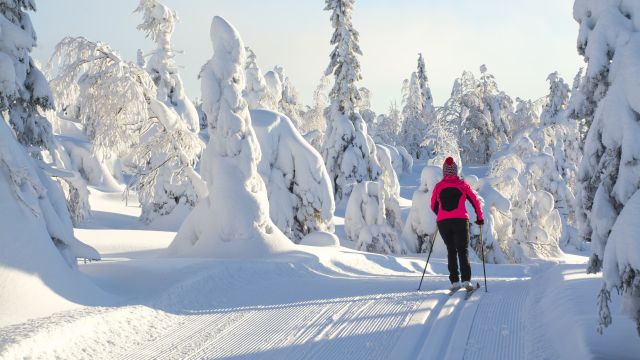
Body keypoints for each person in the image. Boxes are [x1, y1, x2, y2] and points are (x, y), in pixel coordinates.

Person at [430, 157, 484, 292]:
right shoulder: (462, 185)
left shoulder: (438, 186)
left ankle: (454, 281)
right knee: (462, 249)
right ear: (455, 171)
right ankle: (466, 280)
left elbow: (433, 205)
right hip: (460, 220)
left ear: (444, 172)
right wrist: (479, 217)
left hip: (443, 222)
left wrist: (442, 215)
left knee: (451, 250)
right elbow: (475, 201)